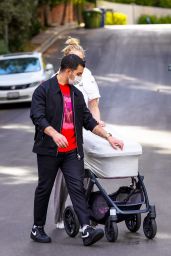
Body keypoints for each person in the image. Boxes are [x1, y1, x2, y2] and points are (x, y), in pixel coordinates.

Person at [30, 54, 124, 246]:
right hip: (49, 151)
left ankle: (85, 229)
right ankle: (37, 228)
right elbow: (37, 116)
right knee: (44, 188)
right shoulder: (44, 90)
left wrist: (108, 136)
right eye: (79, 73)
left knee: (77, 189)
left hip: (72, 152)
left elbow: (88, 121)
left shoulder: (76, 94)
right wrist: (54, 134)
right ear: (69, 70)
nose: (80, 77)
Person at [54, 37, 104, 229]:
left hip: (84, 129)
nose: (79, 65)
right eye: (76, 60)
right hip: (64, 134)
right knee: (63, 181)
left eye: (82, 61)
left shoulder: (87, 75)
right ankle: (59, 216)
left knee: (86, 175)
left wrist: (96, 123)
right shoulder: (57, 78)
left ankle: (87, 215)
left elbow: (94, 104)